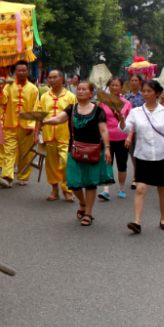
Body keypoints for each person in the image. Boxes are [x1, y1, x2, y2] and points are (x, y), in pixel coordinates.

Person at [41, 81, 114, 226]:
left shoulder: (98, 110)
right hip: (74, 150)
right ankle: (83, 203)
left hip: (93, 150)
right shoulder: (72, 108)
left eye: (84, 89)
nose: (80, 91)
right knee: (73, 183)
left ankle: (88, 214)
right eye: (78, 89)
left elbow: (104, 130)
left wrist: (107, 148)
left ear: (91, 93)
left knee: (90, 183)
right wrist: (46, 121)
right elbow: (58, 119)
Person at [123, 79, 164, 233]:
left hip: (162, 155)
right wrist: (121, 121)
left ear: (157, 93)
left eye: (149, 91)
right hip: (143, 155)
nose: (145, 94)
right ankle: (137, 222)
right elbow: (126, 128)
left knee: (162, 189)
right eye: (143, 91)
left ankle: (163, 218)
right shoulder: (136, 112)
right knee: (140, 188)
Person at [0, 61, 40, 186]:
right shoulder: (9, 86)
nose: (21, 73)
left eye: (23, 70)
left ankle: (23, 176)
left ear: (27, 72)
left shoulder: (33, 89)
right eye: (19, 70)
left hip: (27, 127)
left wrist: (31, 125)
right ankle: (7, 177)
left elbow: (36, 107)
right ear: (15, 72)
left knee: (25, 153)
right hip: (10, 124)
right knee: (9, 152)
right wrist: (0, 88)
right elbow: (3, 101)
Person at [38, 69, 77, 202]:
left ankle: (67, 189)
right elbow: (39, 116)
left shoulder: (70, 96)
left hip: (66, 135)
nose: (52, 80)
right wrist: (35, 134)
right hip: (49, 135)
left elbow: (75, 116)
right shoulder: (44, 97)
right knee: (51, 165)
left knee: (67, 162)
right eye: (50, 78)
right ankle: (55, 190)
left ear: (61, 79)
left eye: (55, 77)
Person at [99, 76, 131, 200]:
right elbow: (100, 120)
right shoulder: (103, 102)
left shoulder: (127, 103)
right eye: (112, 85)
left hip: (122, 137)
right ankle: (106, 189)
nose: (114, 87)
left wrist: (129, 137)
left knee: (122, 164)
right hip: (107, 138)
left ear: (122, 88)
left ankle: (121, 188)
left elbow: (131, 122)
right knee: (107, 162)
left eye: (117, 85)